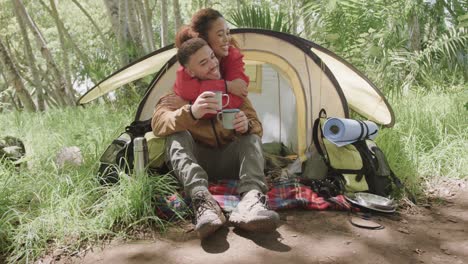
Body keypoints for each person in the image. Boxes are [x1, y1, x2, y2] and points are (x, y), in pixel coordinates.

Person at [152, 38, 279, 239]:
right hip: (197, 163)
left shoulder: (233, 91)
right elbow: (158, 123)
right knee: (175, 136)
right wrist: (191, 112)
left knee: (251, 137)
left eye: (212, 57)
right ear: (190, 72)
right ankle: (202, 200)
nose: (213, 64)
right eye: (203, 63)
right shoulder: (175, 95)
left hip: (231, 162)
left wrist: (246, 124)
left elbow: (257, 125)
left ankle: (251, 201)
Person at [171, 8, 248, 118]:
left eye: (227, 32)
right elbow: (187, 91)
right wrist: (227, 86)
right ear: (203, 39)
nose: (227, 39)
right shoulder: (190, 60)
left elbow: (237, 98)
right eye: (220, 34)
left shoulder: (233, 57)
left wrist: (190, 105)